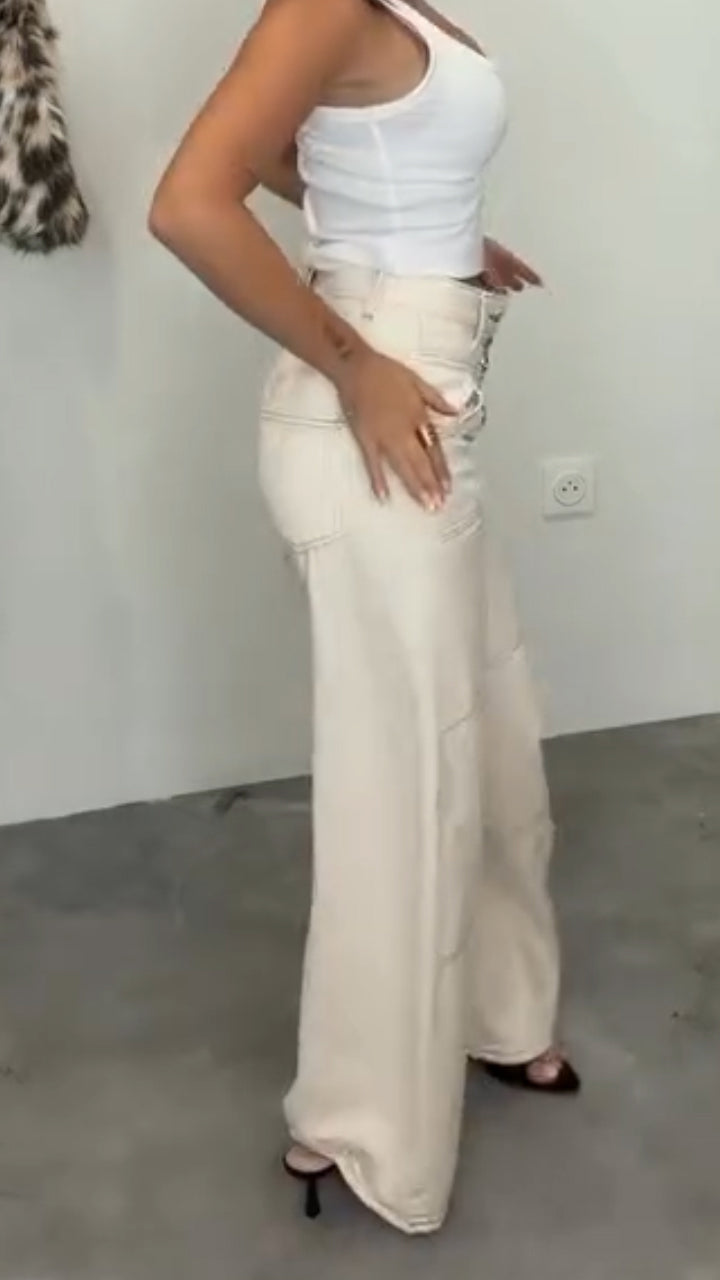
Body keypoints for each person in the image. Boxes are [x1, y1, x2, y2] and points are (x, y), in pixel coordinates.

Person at [149, 0, 580, 1236]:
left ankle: (497, 1011)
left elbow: (320, 150)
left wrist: (438, 241)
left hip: (429, 386)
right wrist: (356, 360)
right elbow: (189, 201)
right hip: (367, 419)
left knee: (491, 738)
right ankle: (358, 1117)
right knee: (403, 790)